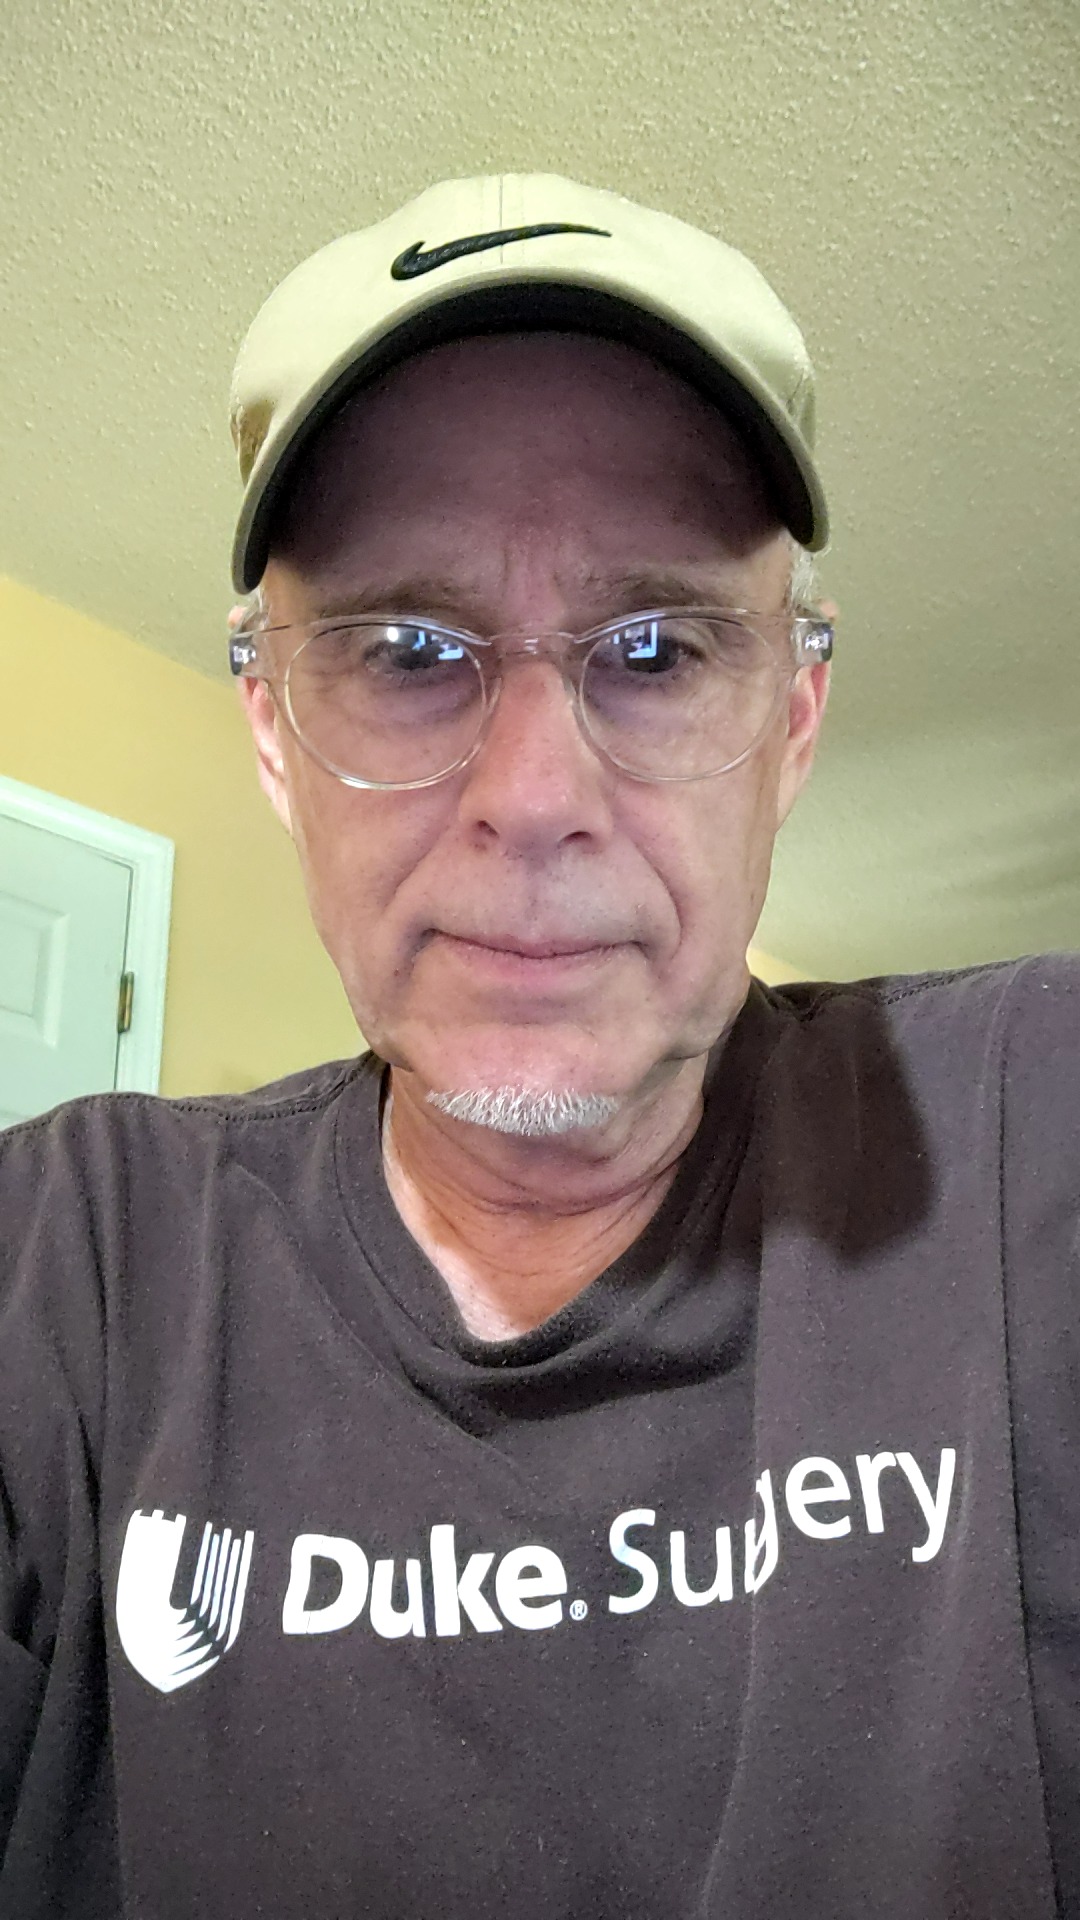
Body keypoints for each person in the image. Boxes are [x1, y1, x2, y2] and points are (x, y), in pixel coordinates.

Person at [0, 172, 1076, 1919]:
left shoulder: (1032, 1134)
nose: (533, 795)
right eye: (407, 648)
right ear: (270, 730)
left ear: (793, 723)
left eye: (655, 648)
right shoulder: (67, 1274)